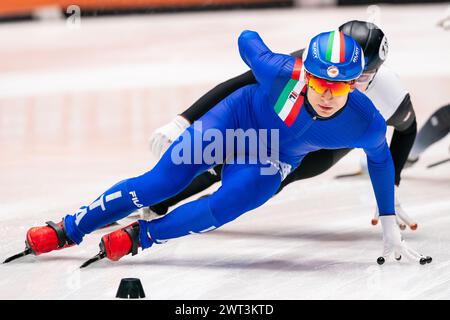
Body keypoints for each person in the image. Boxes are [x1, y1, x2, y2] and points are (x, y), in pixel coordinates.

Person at [5, 29, 431, 267]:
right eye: (319, 82)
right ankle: (68, 227)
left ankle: (143, 235)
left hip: (274, 157)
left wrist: (389, 225)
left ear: (356, 83)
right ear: (306, 75)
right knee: (161, 182)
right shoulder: (283, 73)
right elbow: (248, 41)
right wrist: (185, 118)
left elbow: (380, 161)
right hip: (236, 121)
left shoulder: (365, 120)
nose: (325, 94)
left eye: (338, 86)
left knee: (223, 206)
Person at [146, 20, 418, 230]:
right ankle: (157, 202)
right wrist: (184, 119)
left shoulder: (390, 93)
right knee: (229, 158)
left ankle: (196, 212)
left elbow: (407, 130)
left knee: (263, 182)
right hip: (288, 128)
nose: (350, 84)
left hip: (325, 147)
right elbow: (245, 80)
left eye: (364, 76)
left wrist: (390, 188)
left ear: (378, 71)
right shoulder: (311, 64)